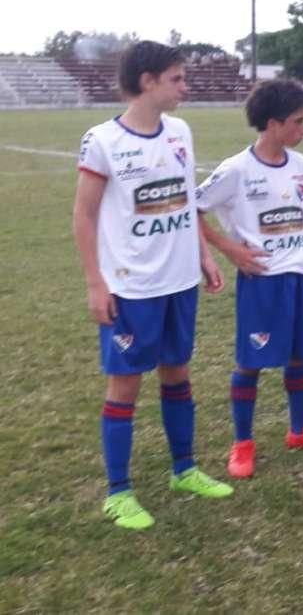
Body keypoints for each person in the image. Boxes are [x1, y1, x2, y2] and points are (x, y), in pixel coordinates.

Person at [73, 41, 233, 529]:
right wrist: (95, 282)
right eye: (177, 79)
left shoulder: (180, 132)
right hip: (131, 287)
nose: (185, 87)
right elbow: (84, 214)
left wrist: (202, 254)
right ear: (148, 82)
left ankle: (184, 469)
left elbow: (185, 201)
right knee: (125, 384)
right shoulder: (102, 141)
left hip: (179, 281)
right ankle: (119, 492)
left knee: (177, 374)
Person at [196, 80, 303, 478]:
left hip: (300, 278)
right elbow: (193, 209)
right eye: (298, 121)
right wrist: (229, 248)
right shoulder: (236, 170)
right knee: (251, 363)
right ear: (273, 123)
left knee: (300, 356)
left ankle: (300, 430)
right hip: (262, 281)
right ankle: (242, 443)